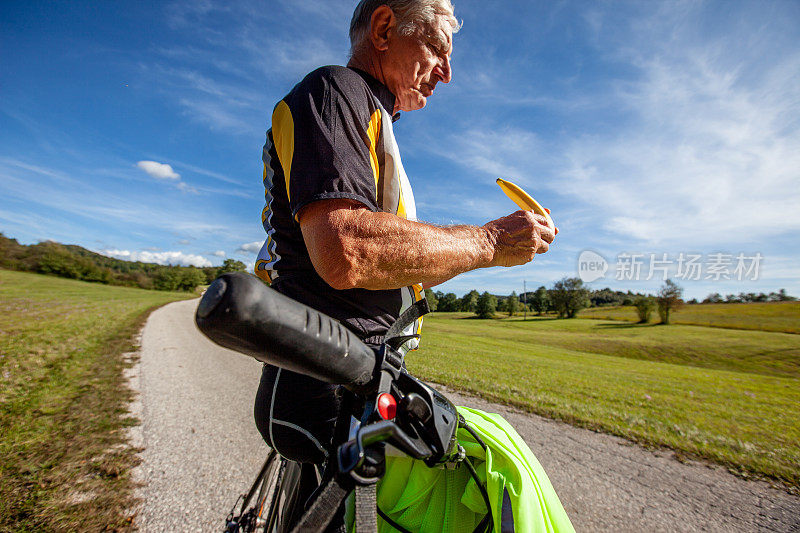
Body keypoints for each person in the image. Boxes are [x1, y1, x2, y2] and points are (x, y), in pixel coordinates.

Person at [253, 0, 556, 465]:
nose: (446, 73)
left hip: (363, 367)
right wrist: (490, 242)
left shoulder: (368, 115)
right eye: (438, 48)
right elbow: (347, 249)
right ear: (383, 28)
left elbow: (386, 263)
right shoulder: (337, 92)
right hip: (326, 377)